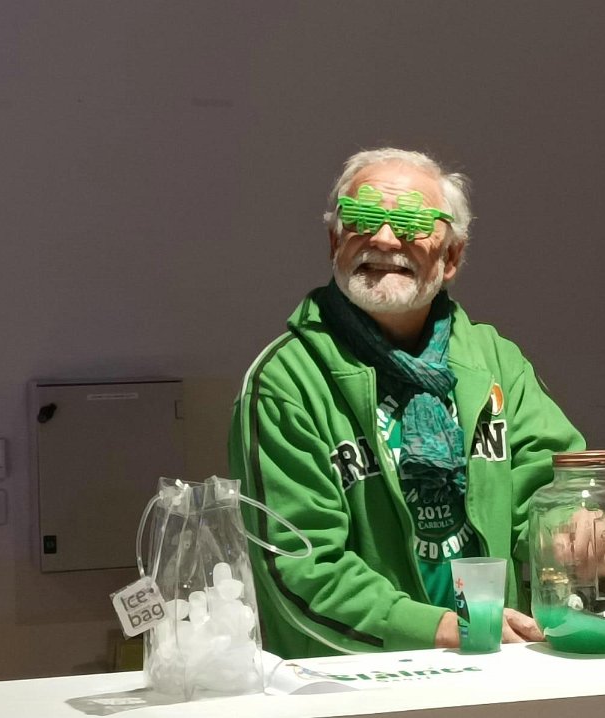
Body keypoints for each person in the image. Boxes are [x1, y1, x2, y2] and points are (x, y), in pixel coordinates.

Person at [228, 147, 585, 658]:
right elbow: (301, 566)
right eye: (361, 217)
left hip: (493, 669)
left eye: (412, 222)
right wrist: (445, 628)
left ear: (452, 256)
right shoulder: (286, 381)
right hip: (354, 681)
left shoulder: (495, 363)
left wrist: (576, 529)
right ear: (334, 241)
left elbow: (552, 488)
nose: (382, 237)